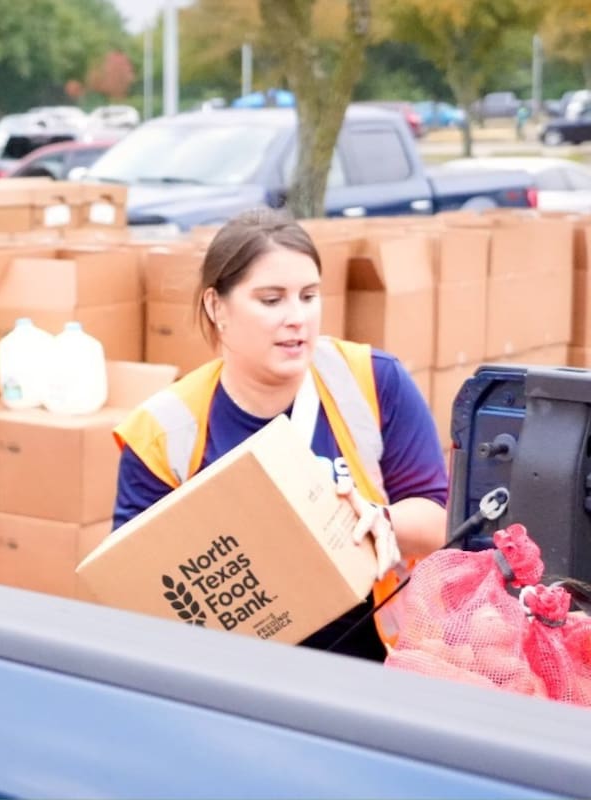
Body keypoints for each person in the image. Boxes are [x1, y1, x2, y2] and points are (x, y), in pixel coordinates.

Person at [112, 208, 448, 662]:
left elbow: (439, 518)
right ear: (216, 307)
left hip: (377, 662)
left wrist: (378, 521)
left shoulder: (372, 380)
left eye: (309, 296)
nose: (297, 318)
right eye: (271, 300)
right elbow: (134, 584)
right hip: (232, 670)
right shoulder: (163, 430)